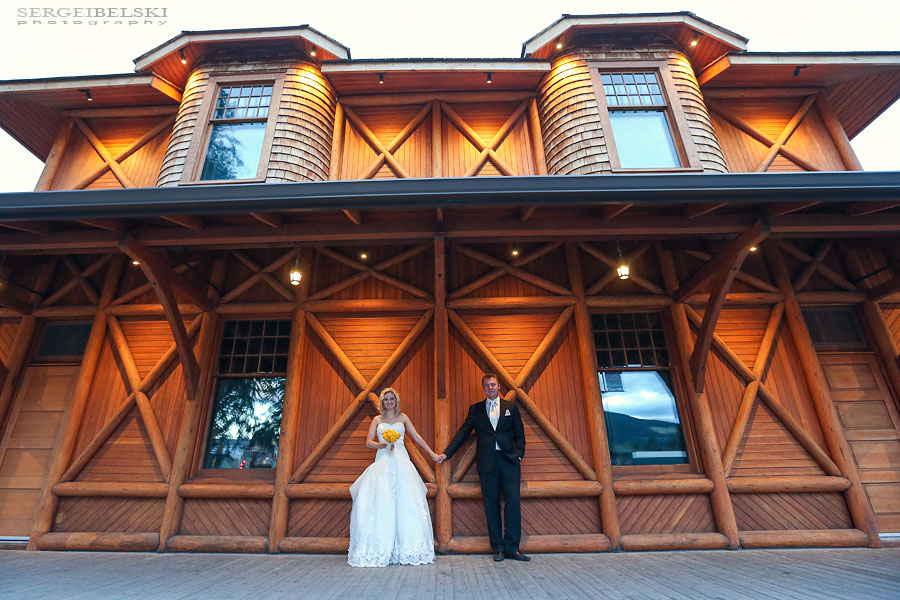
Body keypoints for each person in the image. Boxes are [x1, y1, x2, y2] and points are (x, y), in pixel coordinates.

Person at [439, 373, 530, 562]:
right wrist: (446, 453)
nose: (490, 387)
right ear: (484, 388)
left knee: (513, 504)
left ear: (499, 387)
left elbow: (520, 434)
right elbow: (463, 433)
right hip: (487, 463)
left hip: (509, 462)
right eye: (487, 385)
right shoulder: (476, 410)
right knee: (491, 505)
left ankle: (512, 548)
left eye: (493, 384)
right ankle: (497, 548)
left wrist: (519, 455)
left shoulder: (510, 408)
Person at [348, 387, 442, 567]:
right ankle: (381, 546)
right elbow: (368, 442)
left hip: (401, 462)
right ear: (382, 402)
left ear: (396, 401)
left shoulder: (403, 418)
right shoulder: (377, 420)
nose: (389, 402)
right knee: (382, 502)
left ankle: (407, 547)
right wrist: (382, 445)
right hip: (383, 461)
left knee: (406, 503)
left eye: (392, 399)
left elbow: (417, 437)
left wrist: (432, 454)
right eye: (386, 399)